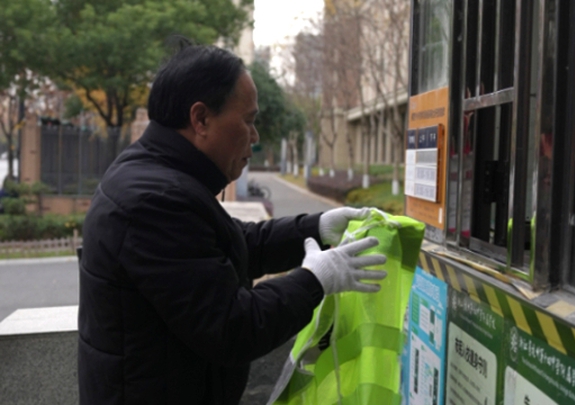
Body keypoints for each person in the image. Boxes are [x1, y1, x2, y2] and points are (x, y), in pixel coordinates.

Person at [78, 45, 387, 405]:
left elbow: (228, 243)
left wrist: (315, 228)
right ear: (201, 119)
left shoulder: (154, 173)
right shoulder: (155, 199)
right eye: (248, 120)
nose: (254, 136)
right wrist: (315, 280)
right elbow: (232, 328)